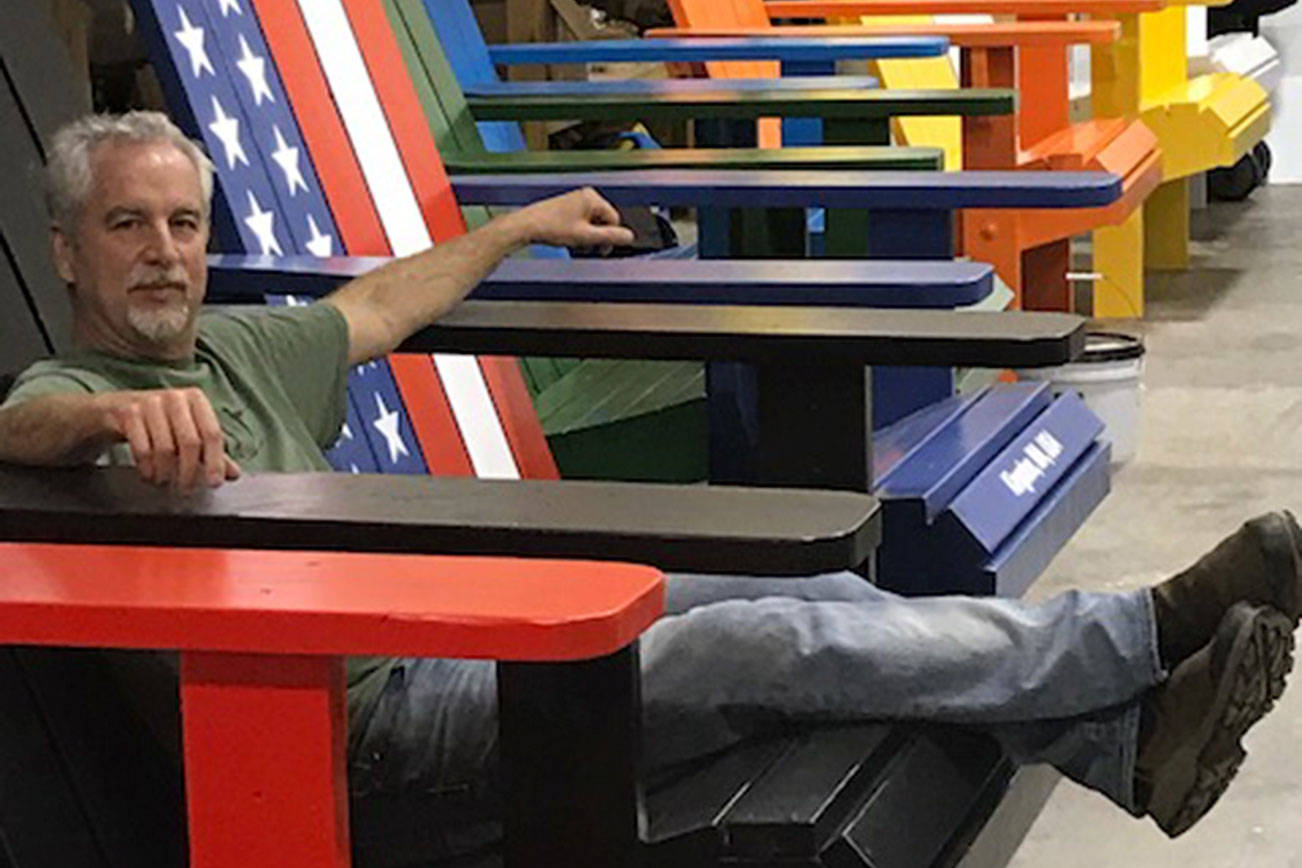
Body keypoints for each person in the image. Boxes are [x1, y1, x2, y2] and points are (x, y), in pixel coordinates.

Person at [0, 112, 1298, 858]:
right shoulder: (59, 402)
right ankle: (1139, 636)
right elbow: (28, 427)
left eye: (182, 224)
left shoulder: (244, 344)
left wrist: (515, 230)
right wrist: (107, 413)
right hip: (364, 747)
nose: (165, 255)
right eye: (127, 226)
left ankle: (1122, 738)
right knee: (773, 639)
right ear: (64, 250)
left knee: (811, 587)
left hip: (458, 647)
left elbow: (380, 301)